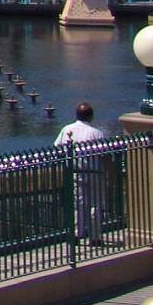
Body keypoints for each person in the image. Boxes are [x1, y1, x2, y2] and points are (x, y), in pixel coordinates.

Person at [55, 101, 111, 244]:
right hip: (95, 172)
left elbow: (57, 148)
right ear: (91, 116)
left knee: (78, 203)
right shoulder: (97, 133)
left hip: (75, 172)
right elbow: (105, 155)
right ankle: (95, 237)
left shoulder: (67, 130)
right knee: (95, 204)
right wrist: (110, 173)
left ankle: (76, 234)